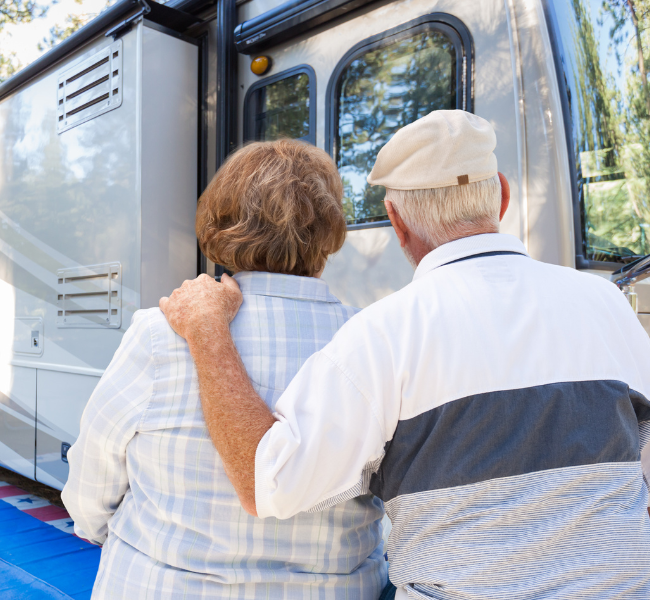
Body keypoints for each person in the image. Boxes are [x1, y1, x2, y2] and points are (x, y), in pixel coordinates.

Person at [159, 110, 650, 600]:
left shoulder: (382, 334)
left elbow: (266, 484)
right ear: (500, 195)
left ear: (396, 221)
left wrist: (207, 332)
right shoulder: (605, 302)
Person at [62, 139, 388, 599]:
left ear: (220, 223)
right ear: (330, 229)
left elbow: (94, 473)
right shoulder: (372, 340)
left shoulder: (160, 333)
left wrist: (97, 528)